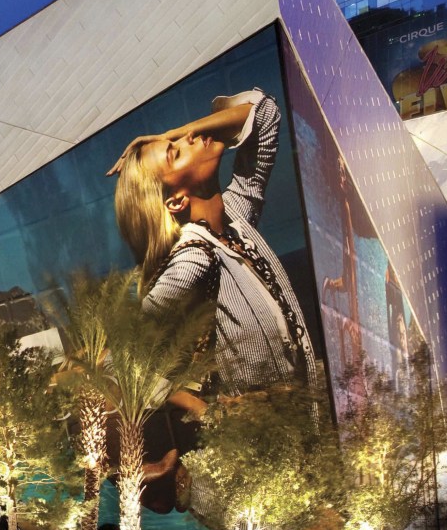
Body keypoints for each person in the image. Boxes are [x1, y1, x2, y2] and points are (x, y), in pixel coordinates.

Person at [109, 88, 317, 393]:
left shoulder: (236, 215)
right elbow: (118, 362)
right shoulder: (194, 257)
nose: (190, 138)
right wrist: (207, 413)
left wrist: (176, 131)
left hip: (302, 423)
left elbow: (264, 113)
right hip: (264, 436)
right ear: (176, 202)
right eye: (176, 152)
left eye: (180, 139)